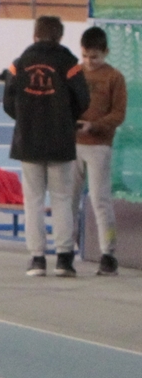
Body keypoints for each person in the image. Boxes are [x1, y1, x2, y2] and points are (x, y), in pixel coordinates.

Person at [3, 15, 90, 277]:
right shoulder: (69, 63)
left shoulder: (20, 63)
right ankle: (64, 259)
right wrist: (66, 119)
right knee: (62, 199)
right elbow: (83, 99)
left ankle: (37, 258)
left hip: (28, 141)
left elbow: (8, 102)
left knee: (33, 201)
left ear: (35, 35)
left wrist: (25, 118)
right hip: (60, 140)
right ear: (60, 37)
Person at [74, 27, 127, 276]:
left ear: (106, 52)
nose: (89, 61)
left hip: (99, 146)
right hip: (73, 145)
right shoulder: (75, 73)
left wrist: (94, 126)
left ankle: (108, 253)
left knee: (100, 199)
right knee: (68, 199)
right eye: (85, 56)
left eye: (94, 57)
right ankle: (67, 248)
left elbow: (118, 114)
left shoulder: (114, 77)